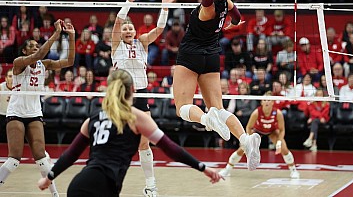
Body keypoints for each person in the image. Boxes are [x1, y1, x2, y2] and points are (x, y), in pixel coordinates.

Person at [37, 69, 223, 196]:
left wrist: (49, 177)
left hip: (80, 185)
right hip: (102, 186)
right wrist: (203, 168)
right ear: (133, 90)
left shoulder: (93, 118)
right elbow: (170, 148)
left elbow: (70, 155)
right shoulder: (136, 117)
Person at [173, 0, 262, 171]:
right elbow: (238, 18)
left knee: (182, 107)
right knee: (219, 108)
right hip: (212, 56)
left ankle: (206, 119)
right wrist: (233, 23)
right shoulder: (226, 3)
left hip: (191, 55)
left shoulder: (209, 4)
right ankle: (246, 140)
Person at [111, 0, 176, 196]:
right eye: (125, 29)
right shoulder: (116, 45)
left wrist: (164, 9)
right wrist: (129, 3)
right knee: (117, 143)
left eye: (131, 28)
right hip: (121, 98)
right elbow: (118, 22)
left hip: (140, 95)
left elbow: (158, 30)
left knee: (143, 143)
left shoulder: (142, 43)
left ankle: (150, 186)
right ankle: (108, 182)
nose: (128, 30)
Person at [0, 19, 75, 197]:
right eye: (31, 46)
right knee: (14, 159)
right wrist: (56, 34)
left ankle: (55, 195)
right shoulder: (19, 63)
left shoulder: (45, 64)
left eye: (37, 45)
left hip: (34, 113)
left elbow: (70, 61)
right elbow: (37, 56)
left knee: (42, 159)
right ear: (24, 51)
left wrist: (71, 37)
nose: (35, 47)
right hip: (16, 113)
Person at [218, 91, 299, 178]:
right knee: (242, 149)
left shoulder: (278, 113)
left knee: (284, 148)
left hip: (272, 131)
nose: (267, 102)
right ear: (261, 102)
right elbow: (249, 127)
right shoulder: (256, 112)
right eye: (265, 100)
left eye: (269, 100)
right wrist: (248, 140)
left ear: (273, 102)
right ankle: (227, 169)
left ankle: (293, 170)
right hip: (258, 131)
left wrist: (279, 141)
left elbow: (282, 130)